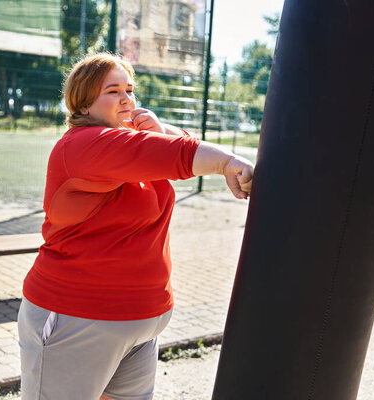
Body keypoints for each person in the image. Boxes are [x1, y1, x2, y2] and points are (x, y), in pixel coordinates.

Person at [18, 52, 254, 400]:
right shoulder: (83, 144)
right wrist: (229, 163)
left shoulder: (130, 143)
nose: (127, 98)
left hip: (139, 321)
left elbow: (175, 143)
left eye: (130, 89)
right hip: (76, 315)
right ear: (83, 104)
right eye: (113, 91)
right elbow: (176, 154)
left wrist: (160, 130)